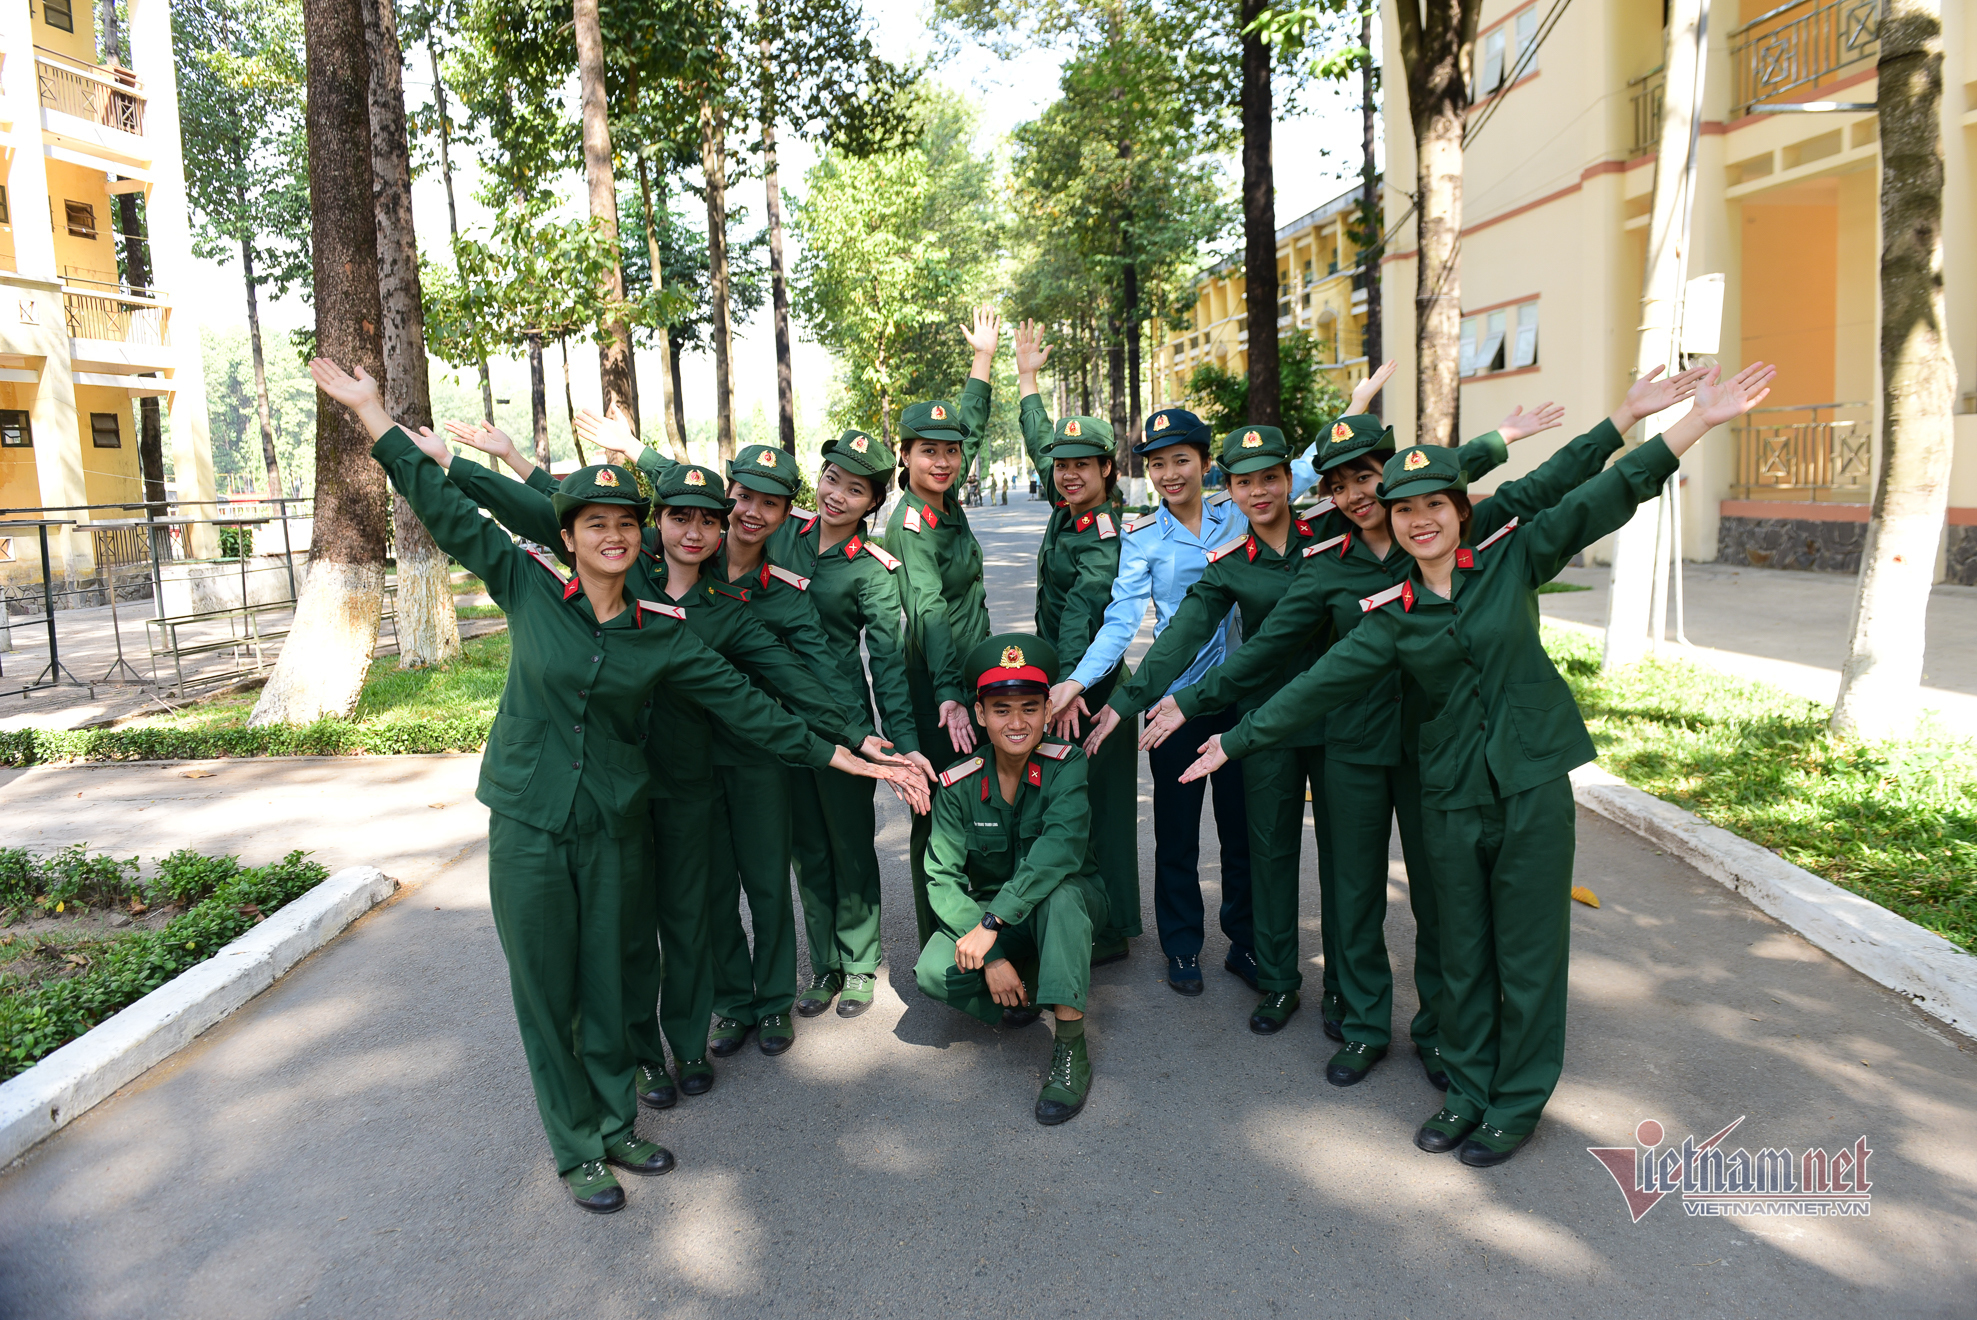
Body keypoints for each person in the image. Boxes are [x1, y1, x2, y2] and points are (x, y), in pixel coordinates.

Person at [309, 358, 905, 1214]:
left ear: (643, 533)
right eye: (596, 525)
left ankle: (618, 1118)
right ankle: (576, 1142)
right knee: (549, 988)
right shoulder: (528, 584)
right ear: (575, 533)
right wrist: (374, 416)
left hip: (614, 823)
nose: (614, 537)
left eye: (626, 524)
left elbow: (744, 701)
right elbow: (444, 511)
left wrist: (836, 751)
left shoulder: (661, 632)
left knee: (610, 976)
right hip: (530, 822)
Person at [1178, 362, 1776, 1167]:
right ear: (1383, 518)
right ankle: (1464, 1086)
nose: (1419, 520)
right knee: (1459, 950)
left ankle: (1515, 1100)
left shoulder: (1509, 557)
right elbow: (1314, 682)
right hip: (1450, 789)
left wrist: (1685, 422)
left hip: (1529, 783)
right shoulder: (1390, 614)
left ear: (1461, 509)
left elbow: (1606, 491)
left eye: (1435, 504)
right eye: (1405, 508)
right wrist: (1234, 736)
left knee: (1525, 955)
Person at [436, 426, 919, 1094]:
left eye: (756, 507)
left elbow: (800, 675)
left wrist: (858, 734)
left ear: (779, 517)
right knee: (696, 905)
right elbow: (562, 511)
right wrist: (473, 462)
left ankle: (771, 1001)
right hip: (658, 772)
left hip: (752, 757)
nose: (719, 522)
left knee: (766, 884)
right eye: (737, 499)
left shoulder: (757, 597)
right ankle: (717, 1015)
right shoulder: (637, 572)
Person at [1091, 399, 1526, 1038]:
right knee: (1268, 852)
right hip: (1265, 718)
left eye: (1271, 476)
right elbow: (1182, 635)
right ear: (1229, 486)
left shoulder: (1329, 527)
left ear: (1288, 480)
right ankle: (1276, 979)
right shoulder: (1230, 562)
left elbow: (1419, 482)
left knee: (1345, 865)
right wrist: (1125, 702)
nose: (1261, 490)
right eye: (1246, 481)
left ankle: (1348, 993)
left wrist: (1503, 435)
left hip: (1348, 720)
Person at [1045, 402, 1254, 997]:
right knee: (1178, 830)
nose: (1169, 474)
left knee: (1240, 827)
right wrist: (1078, 681)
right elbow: (1119, 621)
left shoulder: (1236, 516)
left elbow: (1307, 472)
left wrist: (1356, 405)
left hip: (1240, 695)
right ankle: (1183, 946)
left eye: (1181, 460)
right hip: (1172, 702)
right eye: (1158, 464)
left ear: (1206, 464)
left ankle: (1244, 941)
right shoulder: (1140, 537)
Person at [768, 429, 934, 1019]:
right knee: (805, 847)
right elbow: (727, 507)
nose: (836, 495)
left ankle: (861, 962)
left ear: (872, 502)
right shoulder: (782, 532)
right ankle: (825, 966)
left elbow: (888, 665)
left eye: (855, 489)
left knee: (848, 845)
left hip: (842, 722)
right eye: (832, 479)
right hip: (779, 719)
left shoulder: (872, 569)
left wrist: (903, 747)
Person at [913, 633, 1106, 1126]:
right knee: (933, 972)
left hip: (1069, 901)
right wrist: (993, 955)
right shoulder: (958, 783)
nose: (1016, 722)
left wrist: (993, 924)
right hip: (998, 921)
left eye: (1029, 707)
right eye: (1001, 709)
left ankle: (1070, 1049)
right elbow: (941, 878)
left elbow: (1057, 852)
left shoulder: (1068, 765)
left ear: (1047, 711)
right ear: (980, 715)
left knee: (1060, 897)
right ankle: (1031, 983)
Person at [890, 308, 1000, 948]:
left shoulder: (947, 496)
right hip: (940, 684)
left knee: (974, 804)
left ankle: (977, 926)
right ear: (904, 456)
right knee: (939, 813)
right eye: (927, 450)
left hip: (970, 675)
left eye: (950, 451)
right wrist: (951, 697)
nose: (943, 459)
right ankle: (942, 935)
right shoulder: (912, 522)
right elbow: (927, 609)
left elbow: (971, 426)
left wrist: (982, 360)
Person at [1023, 410, 1141, 965]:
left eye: (1081, 466)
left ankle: (1111, 927)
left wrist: (1067, 686)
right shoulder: (1066, 513)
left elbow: (1081, 606)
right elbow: (1039, 444)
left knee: (1102, 810)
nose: (1069, 474)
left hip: (1091, 686)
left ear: (1107, 470)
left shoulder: (1101, 531)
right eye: (1062, 465)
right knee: (1072, 805)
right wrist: (1026, 384)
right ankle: (1087, 915)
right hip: (1067, 684)